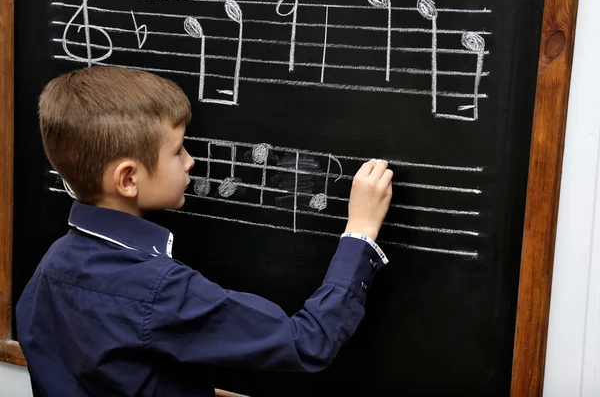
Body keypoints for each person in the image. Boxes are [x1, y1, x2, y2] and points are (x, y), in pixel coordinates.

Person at [15, 66, 394, 396]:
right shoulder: (159, 292)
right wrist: (359, 231)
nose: (191, 161)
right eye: (178, 151)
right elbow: (308, 342)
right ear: (128, 178)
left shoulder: (48, 269)